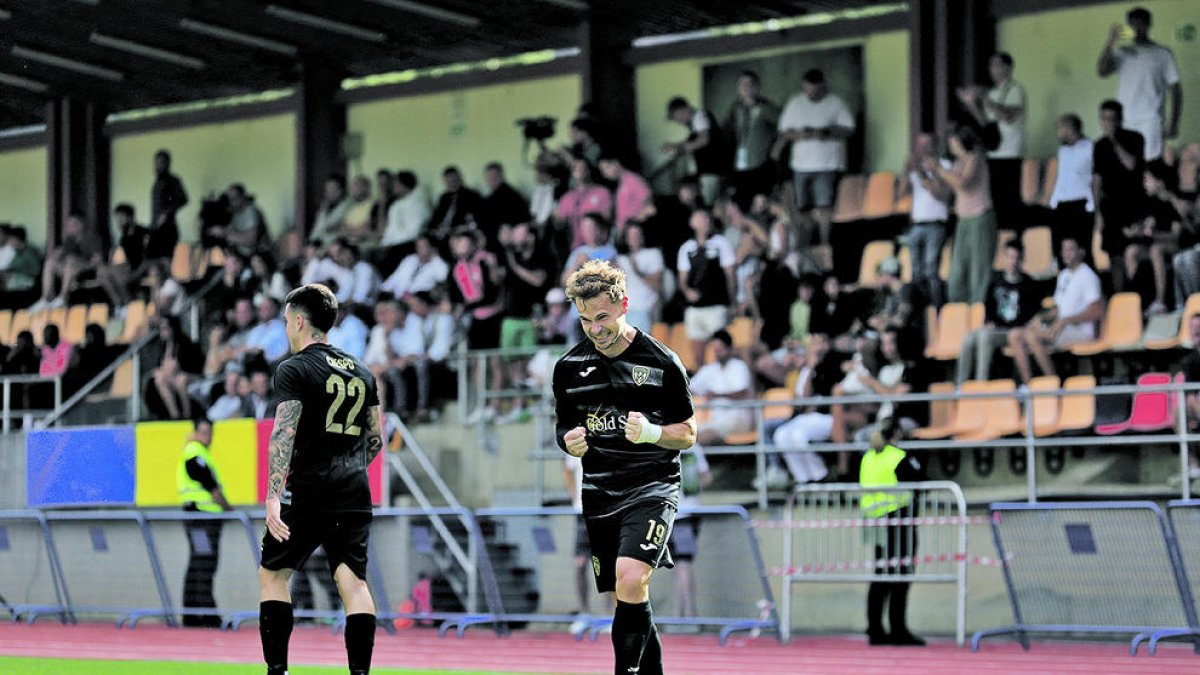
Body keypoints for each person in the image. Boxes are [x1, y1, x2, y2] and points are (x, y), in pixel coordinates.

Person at [552, 259, 697, 675]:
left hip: (651, 486)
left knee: (632, 580)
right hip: (599, 491)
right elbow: (563, 425)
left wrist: (653, 433)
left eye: (601, 317)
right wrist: (568, 440)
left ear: (623, 305)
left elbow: (687, 434)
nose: (595, 329)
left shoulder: (663, 361)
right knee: (626, 595)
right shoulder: (567, 369)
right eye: (584, 321)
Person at [258, 283, 384, 675]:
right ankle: (360, 674)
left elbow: (283, 432)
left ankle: (278, 670)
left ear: (298, 320)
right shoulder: (362, 371)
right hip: (353, 488)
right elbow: (375, 437)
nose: (285, 328)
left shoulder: (294, 368)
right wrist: (346, 464)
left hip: (308, 488)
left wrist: (273, 494)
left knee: (274, 574)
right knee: (353, 582)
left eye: (285, 321)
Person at [860, 418, 925, 646]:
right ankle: (898, 629)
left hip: (875, 521)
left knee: (880, 577)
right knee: (900, 577)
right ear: (897, 433)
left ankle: (875, 628)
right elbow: (918, 486)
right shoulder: (898, 457)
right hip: (898, 521)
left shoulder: (869, 456)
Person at [773, 69, 856, 246]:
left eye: (814, 89)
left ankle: (825, 243)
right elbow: (784, 131)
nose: (810, 93)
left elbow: (849, 129)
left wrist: (823, 132)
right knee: (801, 207)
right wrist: (801, 134)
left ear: (822, 86)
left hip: (827, 164)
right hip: (800, 165)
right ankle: (807, 242)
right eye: (807, 89)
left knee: (824, 206)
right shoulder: (795, 103)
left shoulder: (835, 102)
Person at [1008, 238, 1103, 384]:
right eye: (1064, 249)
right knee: (1015, 335)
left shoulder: (1087, 276)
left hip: (1080, 330)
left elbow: (1097, 311)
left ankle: (1053, 383)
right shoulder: (1064, 275)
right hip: (1061, 326)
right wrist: (1041, 317)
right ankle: (1027, 386)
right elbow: (1059, 308)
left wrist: (1066, 321)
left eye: (1070, 249)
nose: (1065, 253)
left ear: (1081, 252)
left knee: (1032, 336)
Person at [1097, 6, 1182, 162]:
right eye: (1132, 24)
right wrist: (1111, 41)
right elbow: (1102, 71)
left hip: (1151, 119)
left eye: (1140, 24)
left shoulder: (1162, 53)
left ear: (1148, 24)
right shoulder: (1122, 52)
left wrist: (1174, 123)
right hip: (1124, 119)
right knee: (1125, 165)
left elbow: (1176, 89)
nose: (1136, 28)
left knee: (1149, 164)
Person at [926, 124, 996, 305]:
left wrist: (940, 169)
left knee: (978, 269)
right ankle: (957, 307)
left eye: (952, 139)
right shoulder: (957, 163)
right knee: (958, 268)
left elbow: (963, 183)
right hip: (963, 220)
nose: (949, 144)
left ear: (961, 140)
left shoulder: (975, 159)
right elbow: (944, 190)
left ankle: (978, 308)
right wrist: (930, 173)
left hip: (980, 218)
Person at [956, 52, 1026, 229]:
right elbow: (985, 123)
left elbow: (1007, 115)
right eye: (991, 65)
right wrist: (971, 103)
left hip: (1010, 153)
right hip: (993, 153)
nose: (992, 70)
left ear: (1007, 67)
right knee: (994, 201)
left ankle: (1012, 238)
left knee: (1009, 202)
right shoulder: (993, 92)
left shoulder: (1015, 89)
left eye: (996, 65)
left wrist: (984, 98)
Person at [956, 240, 1042, 384]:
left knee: (984, 336)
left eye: (1016, 258)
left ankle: (980, 383)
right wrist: (989, 321)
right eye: (1010, 257)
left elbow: (1031, 314)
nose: (1013, 261)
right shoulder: (995, 280)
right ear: (1004, 258)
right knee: (968, 339)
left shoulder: (1028, 284)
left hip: (1013, 331)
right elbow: (988, 305)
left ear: (1021, 259)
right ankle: (960, 384)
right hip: (996, 328)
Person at [177, 417, 231, 628]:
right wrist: (230, 510)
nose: (208, 436)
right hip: (201, 519)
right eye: (204, 431)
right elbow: (212, 488)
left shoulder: (199, 454)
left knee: (198, 564)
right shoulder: (195, 454)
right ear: (195, 433)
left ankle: (192, 615)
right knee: (204, 565)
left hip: (202, 519)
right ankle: (207, 616)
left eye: (210, 432)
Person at [1093, 100, 1147, 292]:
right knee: (1114, 255)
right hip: (1110, 208)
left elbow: (1132, 165)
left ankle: (1135, 294)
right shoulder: (1099, 146)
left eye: (1112, 119)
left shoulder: (1135, 138)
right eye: (1105, 119)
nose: (1108, 123)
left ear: (1121, 119)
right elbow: (1097, 180)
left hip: (1133, 205)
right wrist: (1098, 211)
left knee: (1132, 253)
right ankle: (1120, 296)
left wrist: (1115, 143)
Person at [897, 133, 952, 308]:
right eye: (919, 144)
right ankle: (919, 310)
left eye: (925, 144)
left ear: (934, 146)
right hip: (917, 224)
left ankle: (936, 308)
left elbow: (941, 195)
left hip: (936, 224)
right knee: (916, 272)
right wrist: (907, 171)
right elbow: (900, 194)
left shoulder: (944, 166)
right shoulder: (915, 169)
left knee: (931, 270)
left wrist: (921, 174)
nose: (921, 149)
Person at [724, 70, 780, 210]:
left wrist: (776, 149)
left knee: (759, 205)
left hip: (760, 164)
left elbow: (785, 128)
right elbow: (727, 133)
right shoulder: (735, 108)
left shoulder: (766, 107)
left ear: (757, 86)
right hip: (740, 165)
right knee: (740, 204)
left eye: (749, 84)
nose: (746, 87)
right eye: (742, 84)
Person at [1048, 114, 1096, 263]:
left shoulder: (1090, 148)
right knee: (1060, 251)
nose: (1058, 132)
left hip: (1081, 204)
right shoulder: (1062, 150)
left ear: (1069, 128)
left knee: (1082, 249)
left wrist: (1093, 204)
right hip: (1060, 204)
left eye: (1060, 128)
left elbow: (1096, 177)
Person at [664, 97, 725, 206]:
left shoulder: (699, 116)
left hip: (712, 170)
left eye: (675, 117)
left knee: (710, 204)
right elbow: (693, 141)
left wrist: (679, 149)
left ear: (681, 110)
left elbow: (703, 140)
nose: (678, 121)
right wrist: (677, 146)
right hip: (707, 171)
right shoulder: (695, 124)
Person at [148, 149, 188, 261]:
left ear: (168, 163)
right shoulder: (158, 181)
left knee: (164, 263)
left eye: (161, 162)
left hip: (167, 229)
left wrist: (166, 212)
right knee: (152, 262)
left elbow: (183, 199)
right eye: (156, 162)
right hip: (155, 228)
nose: (158, 165)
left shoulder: (173, 180)